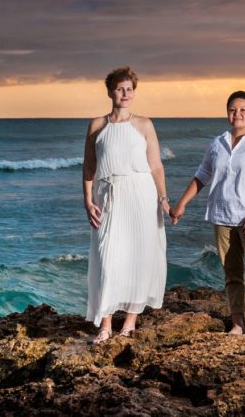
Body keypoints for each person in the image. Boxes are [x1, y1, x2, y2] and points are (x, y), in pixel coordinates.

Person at [171, 91, 245, 334]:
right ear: (227, 113)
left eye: (243, 109)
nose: (238, 114)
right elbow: (202, 175)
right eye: (233, 109)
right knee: (232, 273)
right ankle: (237, 323)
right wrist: (182, 204)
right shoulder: (217, 143)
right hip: (222, 217)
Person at [83, 66, 169, 343]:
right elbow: (88, 168)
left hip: (140, 196)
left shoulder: (144, 124)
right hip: (107, 196)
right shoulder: (97, 125)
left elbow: (155, 166)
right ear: (110, 91)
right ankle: (105, 323)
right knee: (107, 258)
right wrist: (87, 200)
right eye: (120, 89)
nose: (125, 94)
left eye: (129, 89)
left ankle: (129, 322)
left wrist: (164, 199)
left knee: (139, 257)